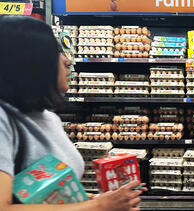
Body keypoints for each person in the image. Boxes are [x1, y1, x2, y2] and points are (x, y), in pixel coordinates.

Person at [0, 16, 147, 211]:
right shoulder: (4, 118)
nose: (67, 60)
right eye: (55, 52)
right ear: (29, 61)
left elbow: (38, 192)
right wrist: (97, 206)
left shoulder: (47, 117)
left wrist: (90, 199)